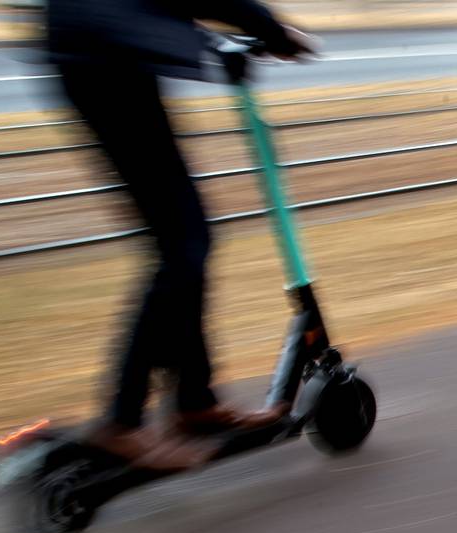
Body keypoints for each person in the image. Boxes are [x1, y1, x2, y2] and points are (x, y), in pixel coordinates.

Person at [45, 0, 316, 469]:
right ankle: (122, 421)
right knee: (182, 246)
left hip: (103, 50)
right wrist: (270, 29)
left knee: (185, 241)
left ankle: (194, 401)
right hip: (105, 57)